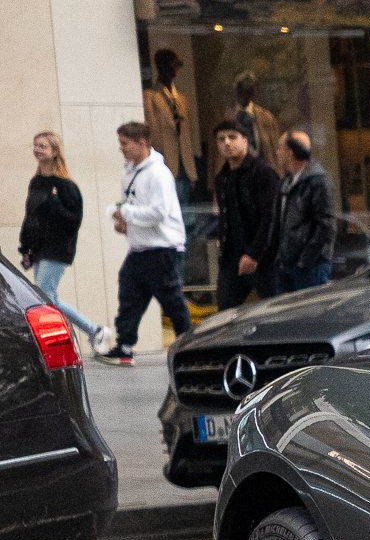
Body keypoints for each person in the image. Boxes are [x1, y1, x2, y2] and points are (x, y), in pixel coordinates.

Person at [103, 120, 188, 363]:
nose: (121, 148)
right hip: (139, 248)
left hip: (162, 249)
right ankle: (125, 346)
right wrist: (124, 222)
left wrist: (127, 214)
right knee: (129, 295)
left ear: (142, 143)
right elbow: (131, 205)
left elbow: (158, 212)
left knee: (172, 300)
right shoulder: (130, 171)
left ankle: (187, 345)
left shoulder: (159, 174)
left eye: (125, 143)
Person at [20, 132, 103, 350]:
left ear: (55, 152)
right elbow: (30, 216)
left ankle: (89, 330)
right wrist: (25, 247)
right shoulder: (36, 182)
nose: (37, 149)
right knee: (46, 298)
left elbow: (74, 220)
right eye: (36, 145)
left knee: (45, 298)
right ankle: (90, 331)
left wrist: (56, 205)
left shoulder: (67, 186)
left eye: (43, 146)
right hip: (39, 249)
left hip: (57, 250)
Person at [209, 118, 282, 310]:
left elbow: (270, 218)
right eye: (221, 139)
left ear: (245, 141)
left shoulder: (263, 174)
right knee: (225, 313)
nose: (226, 143)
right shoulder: (222, 178)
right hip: (231, 258)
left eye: (232, 137)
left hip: (263, 259)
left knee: (276, 310)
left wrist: (254, 254)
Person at [273, 129, 336, 293]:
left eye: (280, 149)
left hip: (310, 267)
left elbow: (326, 226)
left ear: (290, 153)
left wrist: (305, 260)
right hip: (286, 264)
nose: (277, 153)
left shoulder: (317, 180)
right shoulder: (286, 182)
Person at [143, 49, 194, 197]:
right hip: (165, 161)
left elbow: (187, 136)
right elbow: (151, 131)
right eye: (168, 65)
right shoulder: (150, 97)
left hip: (185, 164)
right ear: (160, 68)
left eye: (175, 65)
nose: (173, 69)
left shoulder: (182, 100)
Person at [231, 73, 283, 172]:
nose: (246, 92)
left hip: (262, 174)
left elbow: (275, 150)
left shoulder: (266, 118)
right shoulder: (227, 118)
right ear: (236, 90)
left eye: (250, 88)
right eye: (242, 88)